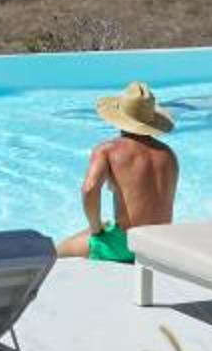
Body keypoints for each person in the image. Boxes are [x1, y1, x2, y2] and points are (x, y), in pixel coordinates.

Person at [60, 81, 179, 262]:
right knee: (99, 228)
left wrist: (96, 229)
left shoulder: (108, 150)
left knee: (58, 251)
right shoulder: (168, 155)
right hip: (162, 245)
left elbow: (89, 190)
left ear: (120, 118)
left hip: (127, 245)